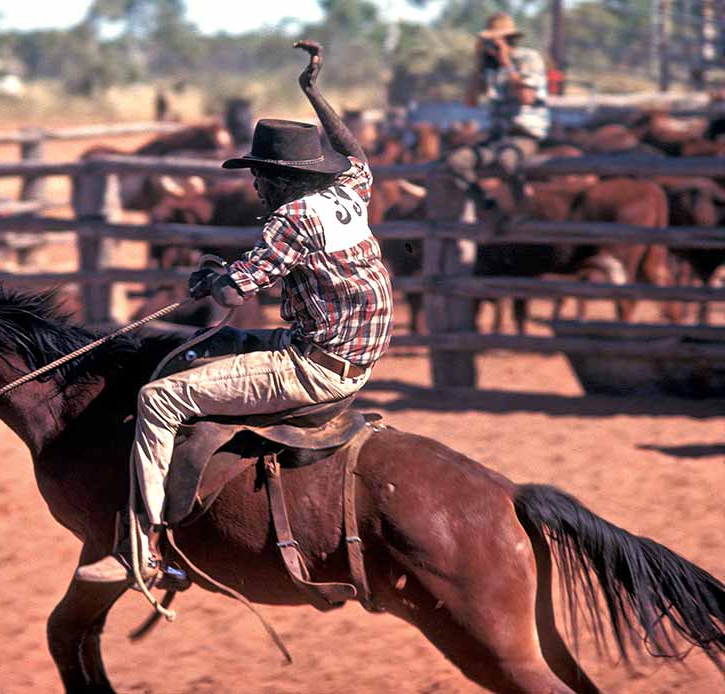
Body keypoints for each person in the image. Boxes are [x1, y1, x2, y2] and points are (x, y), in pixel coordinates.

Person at [75, 39, 394, 585]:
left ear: (279, 176)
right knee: (205, 354)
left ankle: (142, 546)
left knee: (159, 397)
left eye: (260, 173)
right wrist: (312, 92)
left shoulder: (291, 218)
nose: (254, 184)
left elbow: (233, 294)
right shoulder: (348, 190)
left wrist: (212, 277)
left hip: (315, 364)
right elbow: (354, 151)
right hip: (356, 351)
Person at [445, 12, 550, 225]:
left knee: (507, 159)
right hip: (496, 136)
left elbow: (526, 97)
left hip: (524, 134)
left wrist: (507, 62)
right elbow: (470, 102)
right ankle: (487, 206)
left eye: (495, 41)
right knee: (456, 162)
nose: (492, 46)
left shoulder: (528, 59)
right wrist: (478, 66)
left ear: (509, 40)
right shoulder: (490, 68)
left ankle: (523, 206)